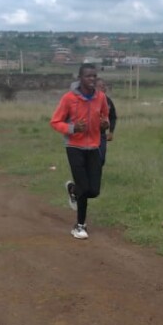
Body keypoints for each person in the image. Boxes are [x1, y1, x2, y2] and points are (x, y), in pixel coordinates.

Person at [50, 63, 110, 240]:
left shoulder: (101, 97)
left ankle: (72, 189)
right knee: (84, 188)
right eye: (88, 76)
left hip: (94, 146)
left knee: (94, 191)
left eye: (94, 76)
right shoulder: (69, 98)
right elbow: (55, 122)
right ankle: (79, 226)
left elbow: (105, 116)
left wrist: (104, 124)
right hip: (74, 146)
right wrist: (73, 128)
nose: (92, 79)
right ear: (80, 78)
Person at [95, 77, 117, 167]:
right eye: (100, 86)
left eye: (104, 86)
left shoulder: (108, 101)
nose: (103, 88)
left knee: (101, 158)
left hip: (102, 135)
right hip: (89, 134)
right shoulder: (90, 101)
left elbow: (113, 117)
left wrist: (111, 132)